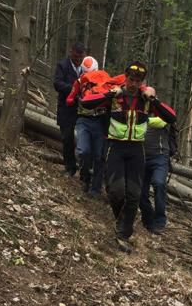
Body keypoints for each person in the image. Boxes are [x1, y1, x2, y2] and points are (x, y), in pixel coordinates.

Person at [81, 61, 176, 252]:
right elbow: (85, 103)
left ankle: (124, 232)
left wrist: (154, 100)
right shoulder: (116, 95)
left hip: (136, 150)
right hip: (115, 147)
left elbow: (171, 117)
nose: (133, 84)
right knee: (116, 192)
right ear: (125, 77)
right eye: (131, 79)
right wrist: (110, 94)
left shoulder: (146, 99)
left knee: (134, 195)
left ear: (142, 82)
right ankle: (121, 221)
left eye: (138, 81)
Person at [67, 56, 110, 198]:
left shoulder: (106, 81)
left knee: (99, 156)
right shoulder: (80, 82)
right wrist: (73, 99)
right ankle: (85, 177)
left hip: (100, 121)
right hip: (83, 120)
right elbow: (70, 97)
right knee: (84, 151)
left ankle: (96, 188)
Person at [53, 42, 85, 176]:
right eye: (76, 56)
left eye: (80, 57)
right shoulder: (62, 66)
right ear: (71, 52)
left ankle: (85, 170)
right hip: (66, 108)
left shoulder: (86, 68)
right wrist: (74, 90)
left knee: (83, 139)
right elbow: (57, 83)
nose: (78, 60)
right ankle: (70, 167)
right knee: (67, 138)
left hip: (83, 109)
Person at [139, 112, 173, 235]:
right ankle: (148, 219)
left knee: (158, 183)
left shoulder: (161, 113)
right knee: (141, 191)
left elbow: (163, 121)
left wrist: (142, 119)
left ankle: (160, 220)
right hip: (141, 157)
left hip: (160, 157)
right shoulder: (138, 110)